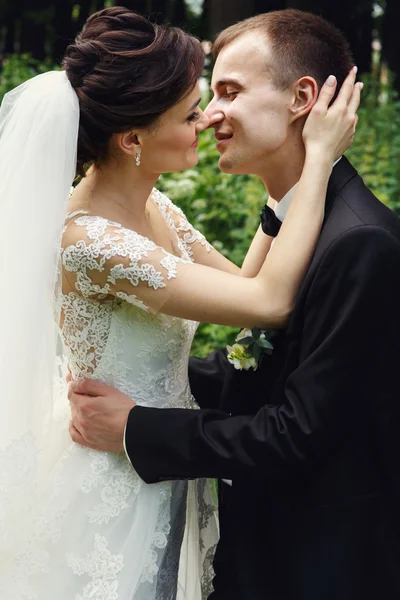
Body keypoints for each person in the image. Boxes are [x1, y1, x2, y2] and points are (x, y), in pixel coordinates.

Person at [0, 6, 358, 600]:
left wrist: (279, 203)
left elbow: (244, 284)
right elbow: (268, 302)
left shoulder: (156, 208)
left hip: (159, 458)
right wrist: (317, 162)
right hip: (112, 481)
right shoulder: (92, 241)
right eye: (191, 113)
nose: (207, 119)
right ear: (132, 138)